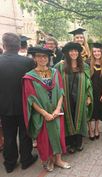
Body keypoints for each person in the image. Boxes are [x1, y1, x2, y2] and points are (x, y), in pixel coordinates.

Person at [23, 47, 70, 172]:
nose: (42, 59)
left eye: (45, 56)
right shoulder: (29, 77)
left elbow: (61, 91)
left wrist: (58, 108)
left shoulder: (55, 72)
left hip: (56, 111)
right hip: (42, 114)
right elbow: (31, 99)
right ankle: (48, 160)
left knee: (59, 134)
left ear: (49, 58)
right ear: (34, 58)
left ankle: (58, 160)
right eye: (39, 56)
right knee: (45, 138)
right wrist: (45, 114)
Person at [0, 33, 37, 173]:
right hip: (23, 105)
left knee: (9, 135)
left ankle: (10, 163)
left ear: (4, 45)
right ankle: (26, 160)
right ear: (18, 46)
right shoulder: (27, 62)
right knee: (25, 134)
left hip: (4, 106)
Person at [55, 42, 93, 153]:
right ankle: (70, 143)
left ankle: (79, 142)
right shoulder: (60, 66)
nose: (74, 53)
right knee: (68, 118)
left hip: (80, 97)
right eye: (71, 51)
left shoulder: (84, 66)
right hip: (65, 98)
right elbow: (55, 82)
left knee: (79, 117)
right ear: (67, 53)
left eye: (76, 51)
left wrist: (89, 97)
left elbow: (88, 83)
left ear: (79, 52)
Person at [88, 43, 102, 140]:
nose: (96, 53)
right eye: (94, 51)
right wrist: (87, 95)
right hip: (90, 92)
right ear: (92, 52)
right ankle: (90, 129)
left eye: (98, 51)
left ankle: (96, 128)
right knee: (90, 111)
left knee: (97, 111)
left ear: (101, 52)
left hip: (100, 92)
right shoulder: (87, 63)